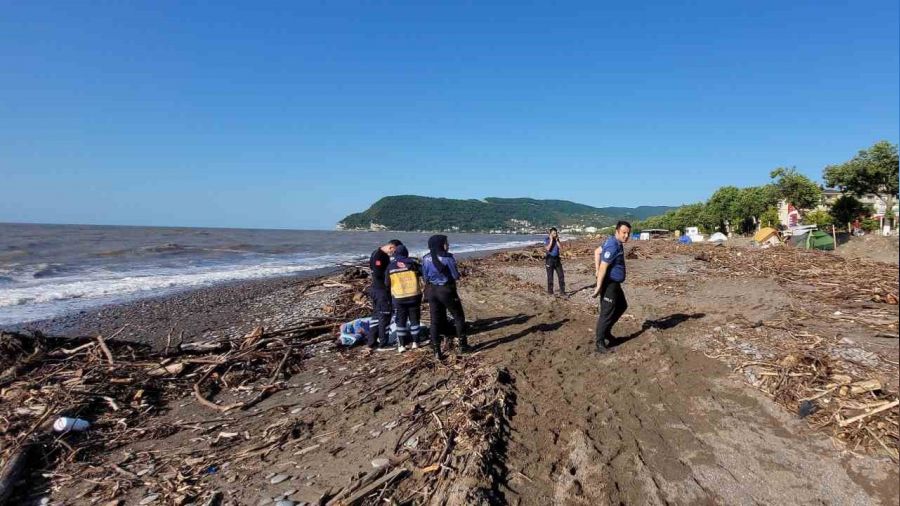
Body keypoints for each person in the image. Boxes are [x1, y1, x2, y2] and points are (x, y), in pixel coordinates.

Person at [422, 234, 468, 359]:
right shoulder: (448, 258)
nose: (448, 245)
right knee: (458, 316)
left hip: (431, 290)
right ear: (441, 244)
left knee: (434, 321)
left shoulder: (425, 258)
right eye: (446, 243)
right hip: (446, 289)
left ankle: (436, 350)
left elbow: (425, 277)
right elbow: (455, 276)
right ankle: (463, 345)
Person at [592, 221, 631, 354]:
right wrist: (598, 286)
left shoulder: (613, 242)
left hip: (615, 284)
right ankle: (600, 342)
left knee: (622, 306)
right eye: (624, 233)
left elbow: (597, 252)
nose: (626, 236)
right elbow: (604, 266)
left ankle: (607, 332)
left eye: (628, 233)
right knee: (606, 313)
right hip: (609, 284)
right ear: (617, 232)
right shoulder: (613, 246)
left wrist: (596, 270)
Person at [385, 245, 424, 353]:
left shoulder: (390, 266)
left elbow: (387, 283)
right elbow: (423, 272)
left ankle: (402, 345)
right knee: (415, 320)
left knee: (400, 321)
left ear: (395, 254)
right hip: (414, 296)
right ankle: (416, 342)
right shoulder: (412, 264)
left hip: (399, 298)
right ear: (406, 253)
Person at [367, 239, 403, 350]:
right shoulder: (380, 256)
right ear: (391, 247)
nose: (394, 254)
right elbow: (378, 273)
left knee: (377, 316)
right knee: (385, 315)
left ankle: (372, 341)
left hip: (376, 289)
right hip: (381, 290)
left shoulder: (376, 253)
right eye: (395, 251)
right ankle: (383, 343)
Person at [544, 227, 565, 295]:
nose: (555, 234)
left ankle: (562, 291)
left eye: (555, 233)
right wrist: (551, 240)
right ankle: (550, 292)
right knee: (550, 276)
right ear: (550, 234)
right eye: (553, 233)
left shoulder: (557, 240)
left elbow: (561, 248)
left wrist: (556, 240)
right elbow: (548, 248)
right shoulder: (547, 240)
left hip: (557, 259)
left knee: (561, 275)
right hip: (549, 259)